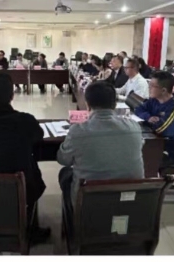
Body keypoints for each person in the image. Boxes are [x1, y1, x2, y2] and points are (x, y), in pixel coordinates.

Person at [0, 73, 49, 240]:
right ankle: (31, 229)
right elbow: (39, 136)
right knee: (33, 171)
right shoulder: (25, 120)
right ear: (12, 96)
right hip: (20, 186)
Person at [57, 80, 144, 223]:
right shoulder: (134, 127)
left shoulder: (78, 130)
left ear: (87, 104)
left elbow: (63, 160)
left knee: (65, 173)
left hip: (89, 202)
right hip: (128, 199)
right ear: (114, 104)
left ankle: (73, 223)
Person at [134, 71, 174, 166]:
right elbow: (138, 109)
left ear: (163, 90)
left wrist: (151, 123)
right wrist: (148, 117)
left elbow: (162, 129)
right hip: (160, 144)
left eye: (152, 86)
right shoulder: (154, 100)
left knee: (141, 158)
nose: (149, 88)